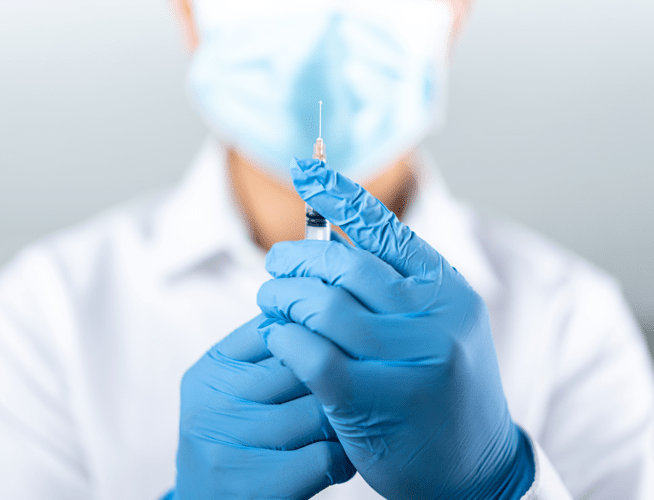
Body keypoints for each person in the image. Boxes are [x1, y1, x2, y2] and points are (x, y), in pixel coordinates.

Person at [1, 0, 653, 498]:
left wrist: (501, 483)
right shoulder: (46, 312)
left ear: (454, 14)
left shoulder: (572, 319)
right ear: (189, 14)